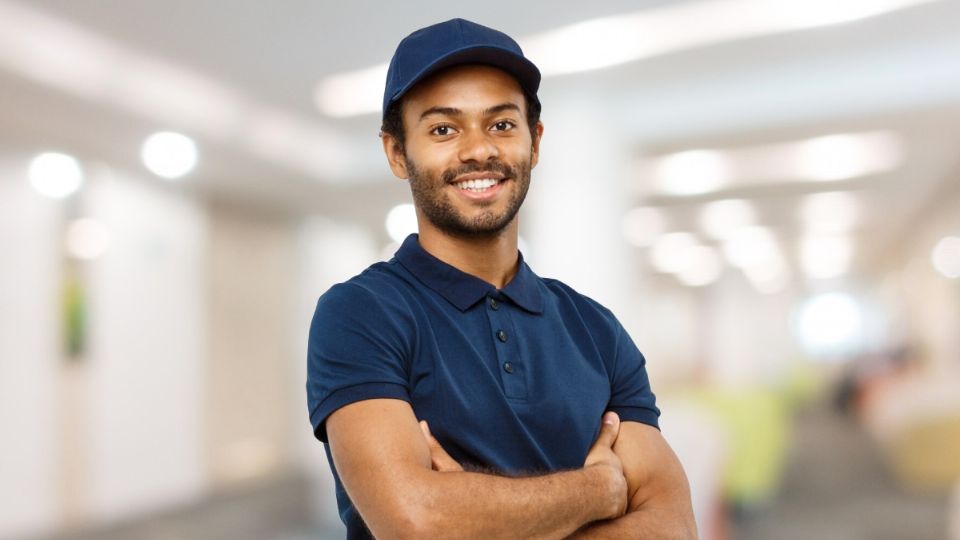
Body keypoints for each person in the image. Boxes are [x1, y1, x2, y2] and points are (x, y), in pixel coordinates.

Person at [307, 18, 696, 539]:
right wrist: (597, 492)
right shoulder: (361, 313)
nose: (478, 150)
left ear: (534, 142)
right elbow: (417, 522)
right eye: (443, 129)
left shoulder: (596, 329)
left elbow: (672, 527)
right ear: (397, 152)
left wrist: (476, 514)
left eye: (501, 125)